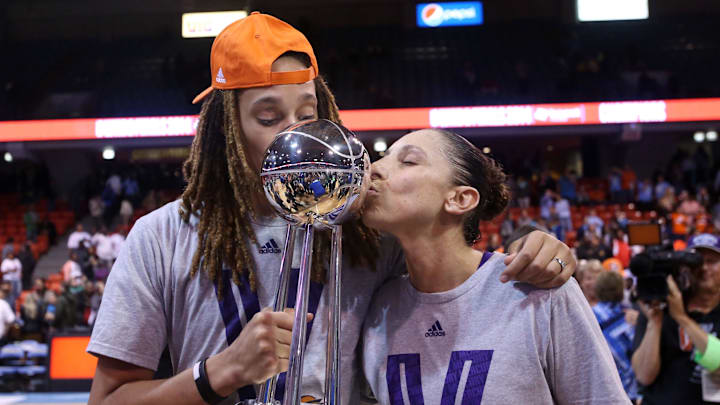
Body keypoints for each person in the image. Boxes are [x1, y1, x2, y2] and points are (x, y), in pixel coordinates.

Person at [87, 13, 576, 405]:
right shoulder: (160, 237)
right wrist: (219, 373)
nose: (295, 132)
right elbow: (107, 400)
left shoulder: (371, 227)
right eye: (268, 116)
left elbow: (459, 271)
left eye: (306, 112)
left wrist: (542, 249)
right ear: (227, 129)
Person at [361, 129, 628, 404]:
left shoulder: (539, 288)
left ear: (460, 199)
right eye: (382, 157)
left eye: (408, 161)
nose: (375, 168)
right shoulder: (379, 307)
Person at [632, 233, 720, 404]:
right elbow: (644, 376)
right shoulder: (660, 303)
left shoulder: (677, 311)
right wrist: (655, 322)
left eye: (712, 261)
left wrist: (681, 318)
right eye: (697, 261)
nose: (703, 268)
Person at [592, 271, 639, 403]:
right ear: (621, 290)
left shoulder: (588, 316)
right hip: (629, 391)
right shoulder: (633, 319)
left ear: (597, 289)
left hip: (600, 391)